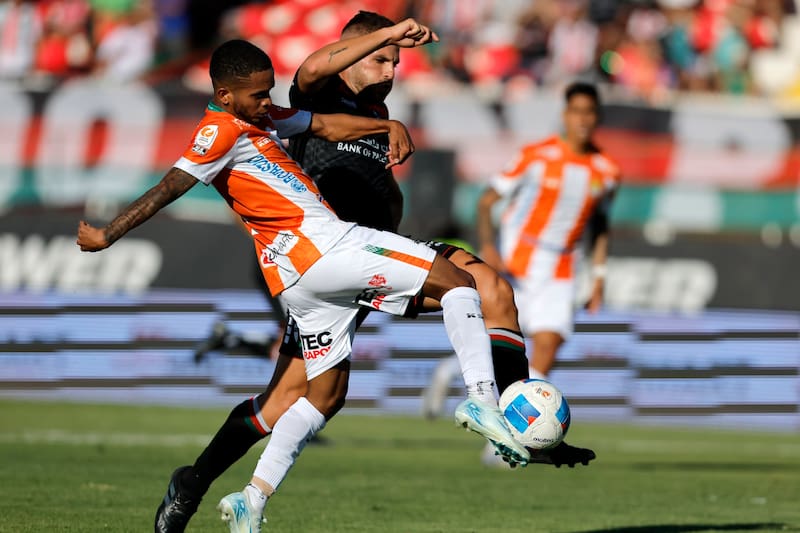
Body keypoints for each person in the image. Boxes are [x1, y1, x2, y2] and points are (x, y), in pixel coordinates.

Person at [152, 14, 597, 533]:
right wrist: (388, 33)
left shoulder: (377, 111)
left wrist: (390, 195)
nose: (391, 69)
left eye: (396, 62)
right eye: (382, 58)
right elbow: (316, 64)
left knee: (494, 290)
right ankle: (194, 483)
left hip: (378, 255)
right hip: (323, 260)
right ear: (354, 49)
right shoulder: (318, 93)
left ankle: (511, 422)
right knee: (285, 400)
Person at [75, 38, 529, 533]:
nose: (267, 101)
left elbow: (323, 125)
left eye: (269, 90)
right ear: (224, 94)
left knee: (323, 395)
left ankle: (251, 499)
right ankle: (482, 399)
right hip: (328, 248)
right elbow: (169, 187)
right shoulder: (218, 131)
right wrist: (107, 233)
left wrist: (388, 124)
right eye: (256, 95)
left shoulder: (258, 119)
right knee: (460, 283)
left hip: (302, 284)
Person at [476, 81, 620, 381]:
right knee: (499, 348)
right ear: (565, 114)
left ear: (598, 117)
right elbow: (487, 201)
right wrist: (489, 248)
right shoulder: (536, 156)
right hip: (518, 261)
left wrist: (599, 276)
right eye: (576, 111)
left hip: (564, 266)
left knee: (549, 342)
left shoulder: (607, 170)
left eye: (589, 112)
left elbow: (601, 224)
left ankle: (521, 416)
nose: (582, 119)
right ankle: (451, 373)